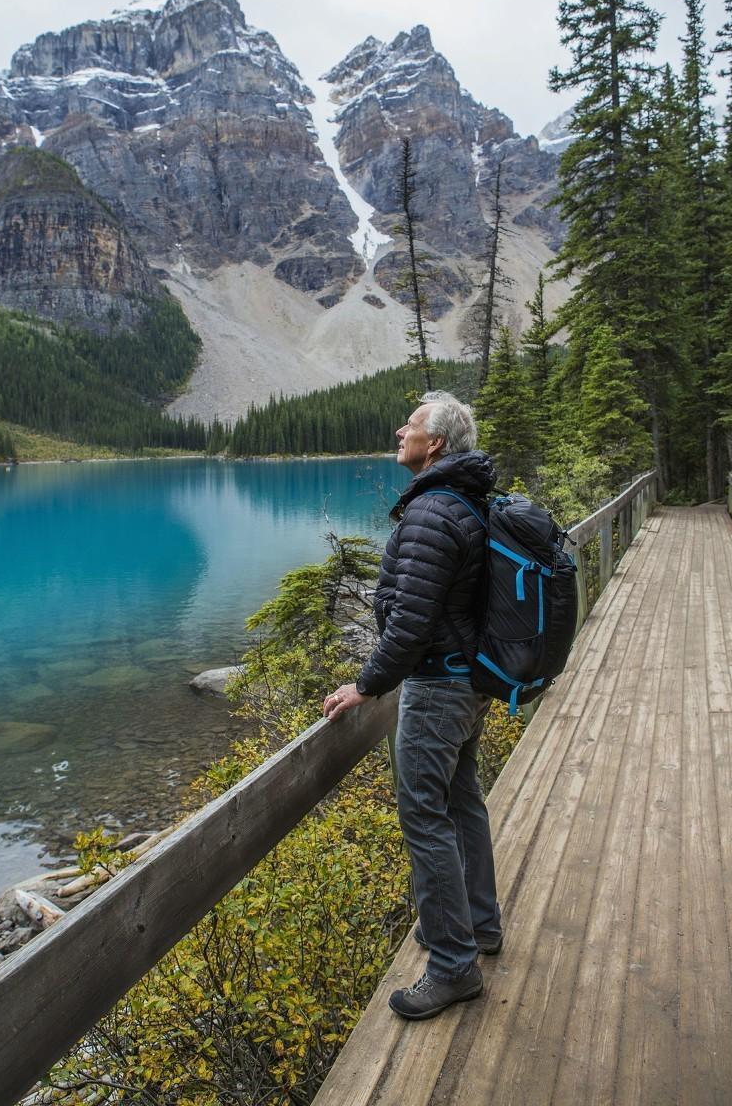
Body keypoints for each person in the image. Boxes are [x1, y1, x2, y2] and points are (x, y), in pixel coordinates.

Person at [323, 391, 502, 1020]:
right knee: (461, 801)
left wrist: (364, 687)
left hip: (437, 688)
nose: (401, 430)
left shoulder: (431, 513)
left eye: (413, 426)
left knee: (423, 816)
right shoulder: (463, 503)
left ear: (438, 445)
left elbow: (410, 626)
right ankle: (479, 926)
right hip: (467, 683)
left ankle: (453, 966)